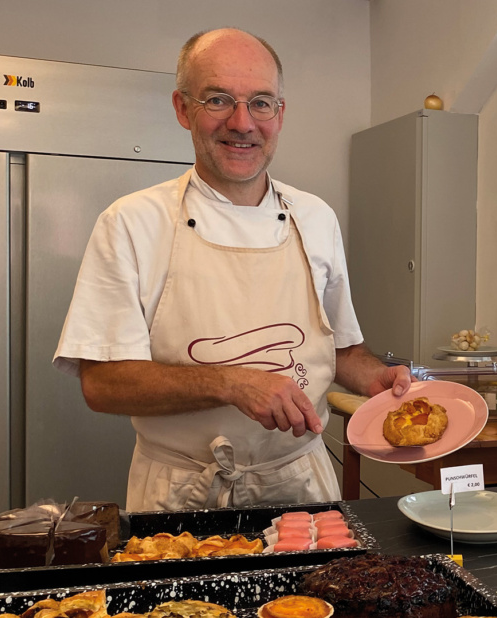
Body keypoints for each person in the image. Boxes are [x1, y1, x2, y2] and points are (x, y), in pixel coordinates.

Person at [53, 28, 410, 511]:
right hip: (180, 494)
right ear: (183, 109)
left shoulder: (316, 218)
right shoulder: (132, 222)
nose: (242, 123)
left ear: (279, 114)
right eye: (218, 100)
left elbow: (341, 349)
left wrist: (377, 379)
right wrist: (232, 383)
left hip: (301, 484)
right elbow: (102, 384)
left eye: (261, 103)